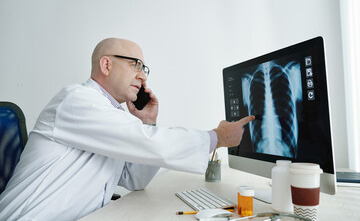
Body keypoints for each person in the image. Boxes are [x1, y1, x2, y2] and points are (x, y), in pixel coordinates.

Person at [0, 38, 255, 221]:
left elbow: (135, 180)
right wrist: (217, 138)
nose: (143, 77)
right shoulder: (76, 100)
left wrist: (147, 122)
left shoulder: (113, 117)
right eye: (135, 65)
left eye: (144, 69)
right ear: (106, 65)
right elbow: (146, 142)